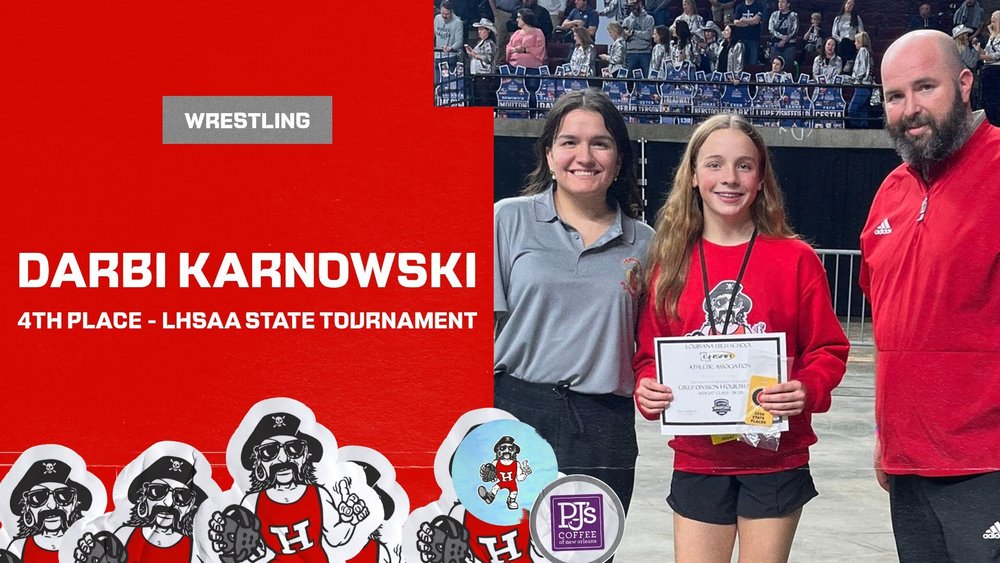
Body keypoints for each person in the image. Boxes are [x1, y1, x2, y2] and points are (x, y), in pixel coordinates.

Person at [633, 113, 848, 563]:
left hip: (775, 458)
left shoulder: (796, 259)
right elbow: (648, 355)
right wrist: (648, 388)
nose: (729, 178)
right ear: (693, 175)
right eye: (714, 164)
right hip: (698, 458)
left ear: (761, 177)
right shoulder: (668, 263)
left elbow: (828, 349)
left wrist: (807, 388)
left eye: (744, 166)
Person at [863, 26, 1000, 563]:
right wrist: (883, 432)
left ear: (964, 84)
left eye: (926, 88)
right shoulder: (889, 193)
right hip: (908, 464)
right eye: (895, 96)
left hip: (987, 463)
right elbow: (888, 330)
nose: (910, 109)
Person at [494, 89, 654, 517]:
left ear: (619, 160)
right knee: (506, 545)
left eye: (600, 143)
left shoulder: (647, 243)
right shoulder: (506, 220)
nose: (584, 155)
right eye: (569, 142)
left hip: (604, 425)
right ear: (549, 155)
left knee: (585, 552)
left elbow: (654, 344)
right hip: (513, 413)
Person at [466, 19, 499, 107]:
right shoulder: (480, 43)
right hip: (479, 73)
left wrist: (475, 55)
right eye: (479, 30)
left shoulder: (489, 43)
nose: (479, 32)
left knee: (484, 98)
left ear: (488, 31)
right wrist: (472, 53)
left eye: (481, 29)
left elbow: (488, 58)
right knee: (479, 98)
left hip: (485, 74)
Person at [847, 31, 875, 127]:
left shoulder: (863, 51)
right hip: (867, 86)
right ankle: (864, 132)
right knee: (863, 113)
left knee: (852, 110)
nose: (855, 43)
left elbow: (861, 70)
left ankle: (856, 131)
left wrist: (854, 79)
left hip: (862, 85)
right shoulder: (869, 53)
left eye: (856, 41)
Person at [623, 0, 656, 72]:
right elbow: (624, 38)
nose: (632, 8)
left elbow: (648, 35)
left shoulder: (649, 19)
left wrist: (634, 33)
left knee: (646, 78)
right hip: (631, 53)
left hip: (645, 53)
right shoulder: (627, 21)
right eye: (630, 6)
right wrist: (626, 35)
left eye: (634, 5)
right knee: (629, 79)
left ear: (639, 4)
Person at [831, 0, 863, 70]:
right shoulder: (838, 18)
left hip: (852, 42)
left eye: (852, 5)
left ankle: (849, 61)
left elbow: (861, 32)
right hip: (841, 41)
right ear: (845, 4)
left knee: (847, 42)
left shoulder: (856, 18)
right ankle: (847, 62)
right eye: (848, 3)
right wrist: (841, 40)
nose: (849, 6)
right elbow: (834, 33)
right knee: (844, 42)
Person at [733, 0, 765, 65]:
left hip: (754, 39)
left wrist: (744, 20)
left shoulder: (759, 6)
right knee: (741, 62)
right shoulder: (739, 7)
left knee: (753, 62)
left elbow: (756, 21)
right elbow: (736, 22)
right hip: (741, 39)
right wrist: (751, 22)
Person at [768, 0, 798, 70]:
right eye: (779, 2)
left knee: (788, 66)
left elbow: (795, 30)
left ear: (788, 4)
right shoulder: (774, 15)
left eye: (783, 2)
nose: (780, 4)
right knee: (775, 66)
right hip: (776, 43)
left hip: (789, 44)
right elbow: (771, 29)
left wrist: (785, 39)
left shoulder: (794, 15)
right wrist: (781, 37)